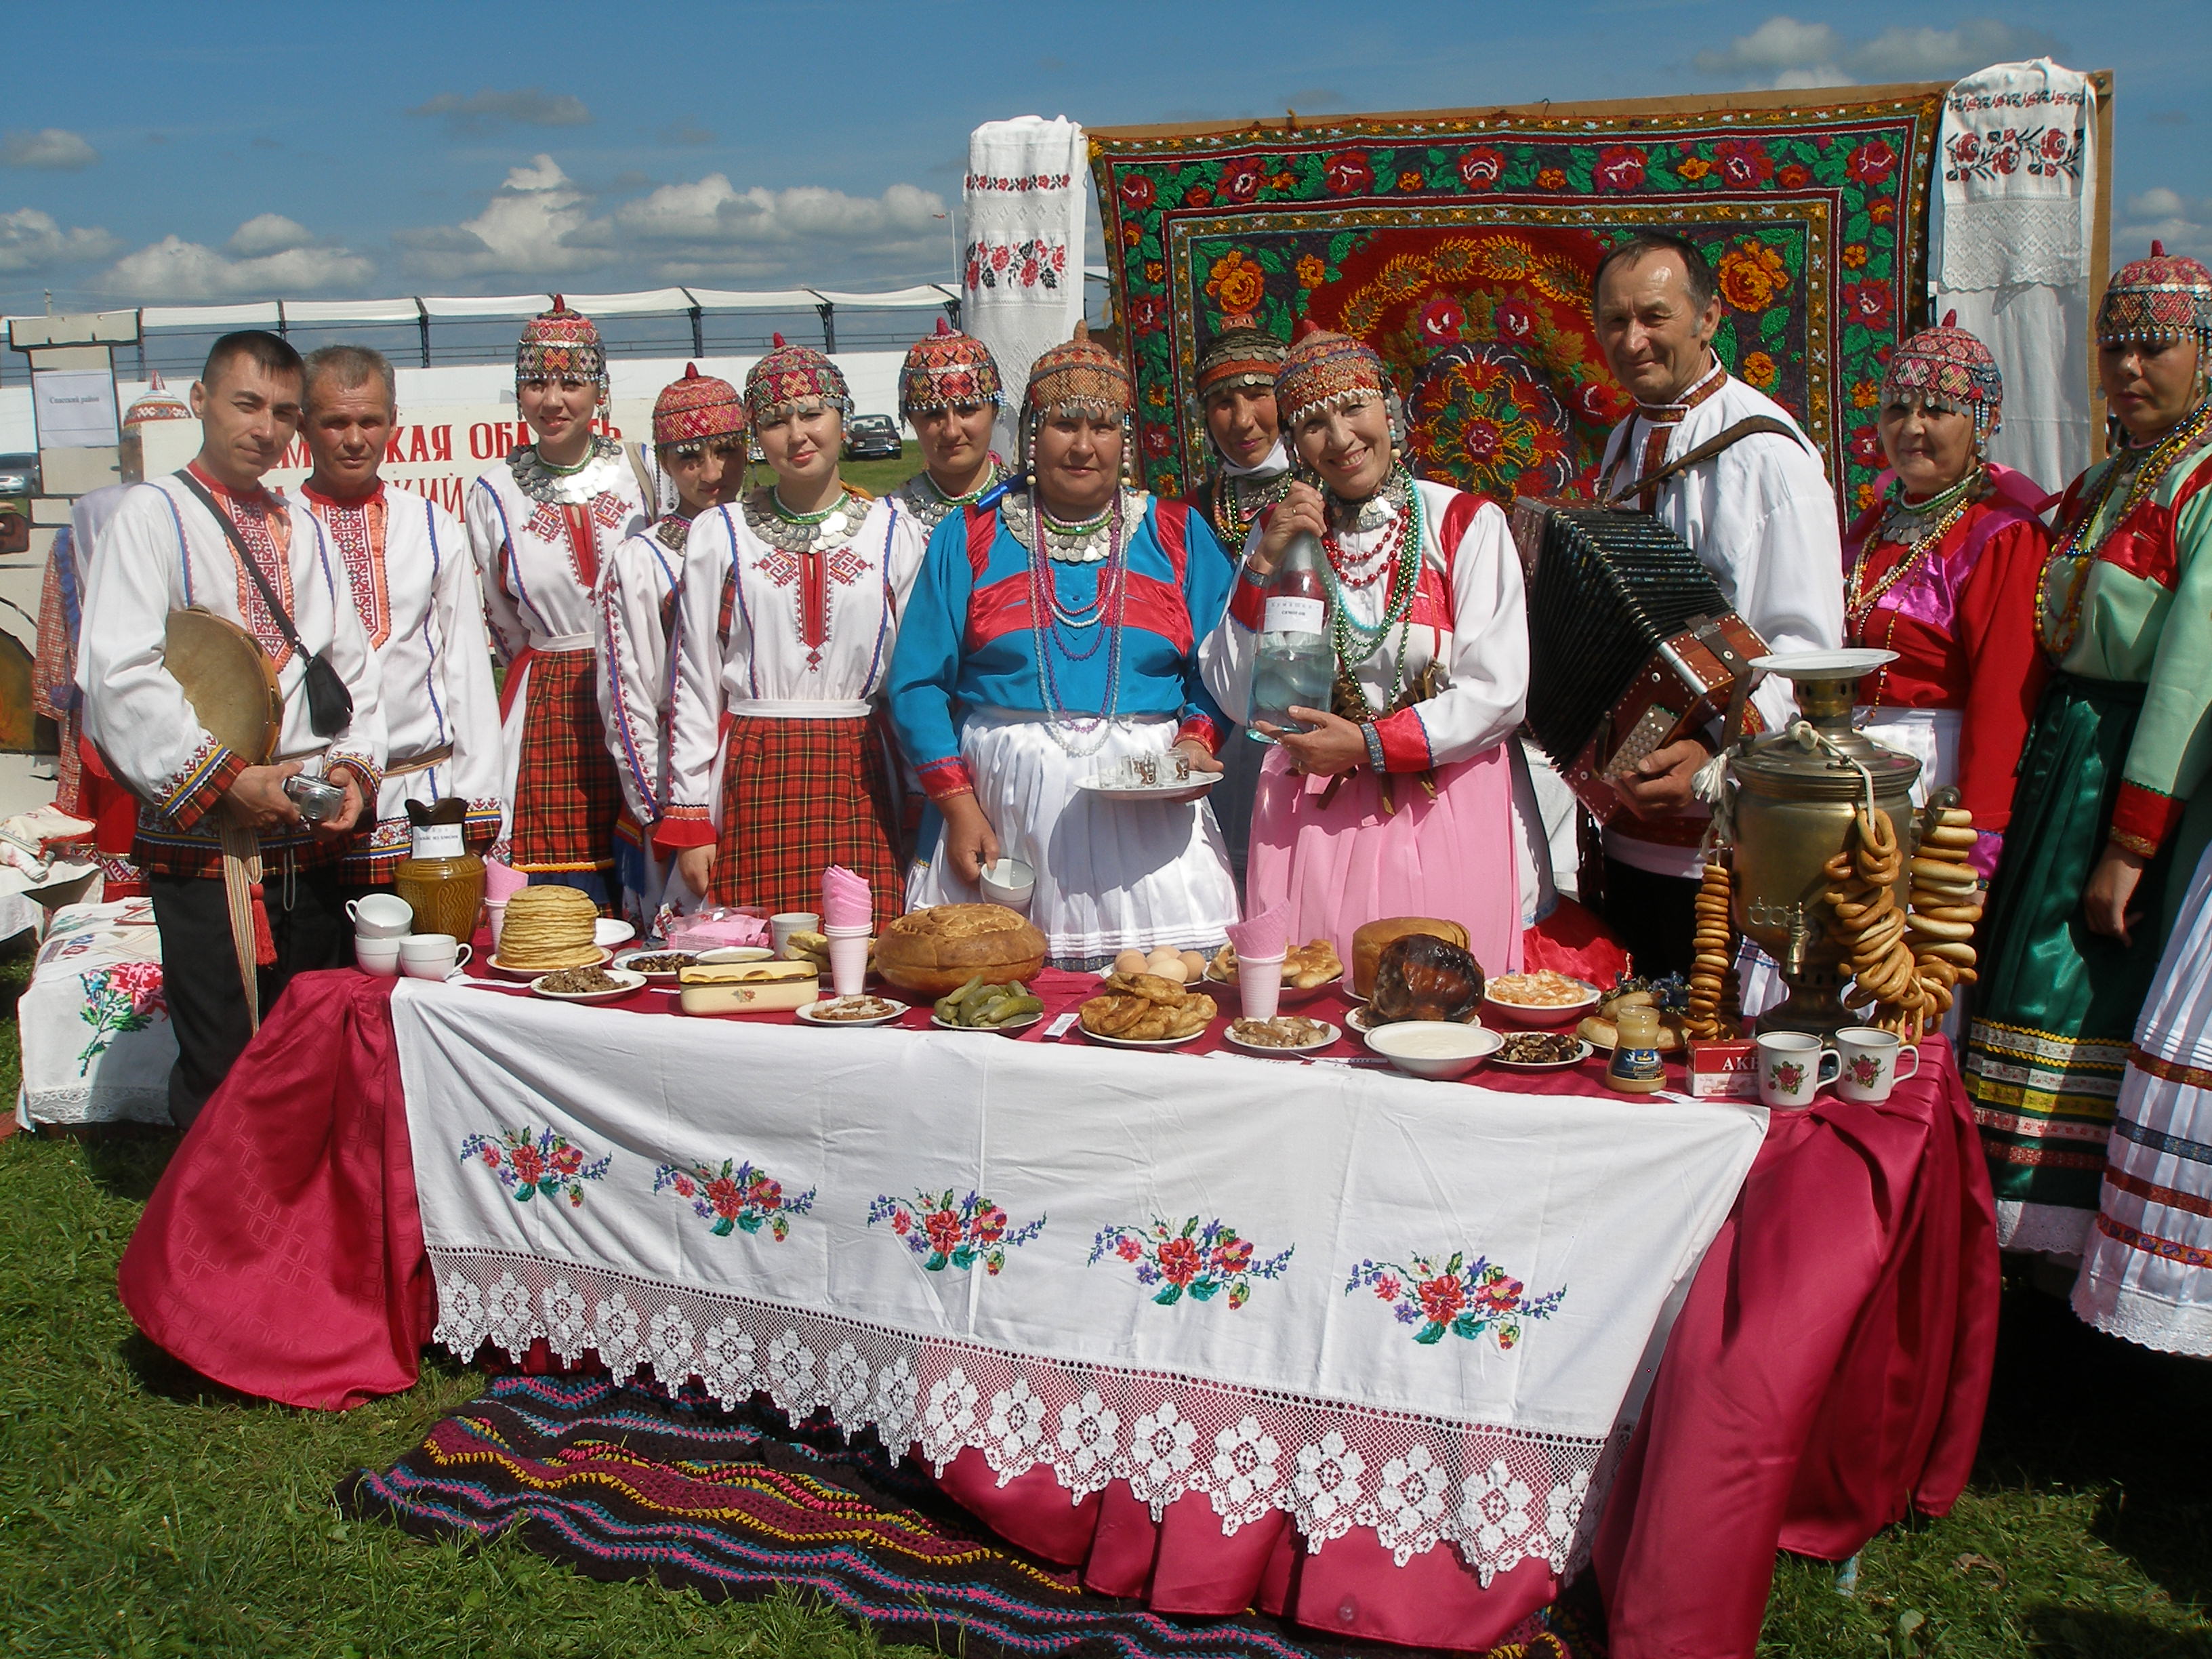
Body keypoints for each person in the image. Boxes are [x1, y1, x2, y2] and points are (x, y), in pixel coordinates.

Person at [1967, 244, 2212, 1258]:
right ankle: (2010, 1217)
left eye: (2156, 346)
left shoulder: (2201, 485)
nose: (2128, 367)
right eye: (2114, 347)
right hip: (2065, 754)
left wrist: (2132, 843)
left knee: (2092, 979)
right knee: (2023, 973)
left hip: (2127, 765)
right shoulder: (2106, 478)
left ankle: (2073, 1228)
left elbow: (2192, 670)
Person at [77, 330, 384, 1126]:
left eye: (284, 412)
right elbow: (119, 675)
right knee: (222, 1054)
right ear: (200, 402)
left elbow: (351, 668)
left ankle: (304, 1230)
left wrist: (350, 770)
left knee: (311, 1042)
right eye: (247, 404)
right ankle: (213, 1240)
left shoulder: (304, 527)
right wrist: (227, 782)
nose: (266, 429)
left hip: (305, 834)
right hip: (212, 843)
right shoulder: (152, 516)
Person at [889, 324, 1240, 967]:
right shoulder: (967, 537)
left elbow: (1221, 670)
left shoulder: (1176, 533)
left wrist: (1196, 741)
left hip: (1149, 810)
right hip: (1003, 808)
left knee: (1158, 989)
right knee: (994, 988)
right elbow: (915, 686)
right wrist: (958, 805)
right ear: (1030, 435)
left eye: (1103, 427)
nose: (1083, 446)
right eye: (1063, 425)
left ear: (1125, 440)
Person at [1199, 325, 1544, 975]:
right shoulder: (1280, 537)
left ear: (1390, 408)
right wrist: (1264, 563)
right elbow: (1237, 694)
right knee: (1319, 1000)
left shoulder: (1461, 525)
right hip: (1313, 816)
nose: (1340, 440)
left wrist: (1369, 745)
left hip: (1443, 801)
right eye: (1312, 424)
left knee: (1440, 1002)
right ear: (1293, 442)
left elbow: (1498, 693)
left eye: (1354, 408)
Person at [1590, 232, 1844, 976]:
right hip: (1631, 814)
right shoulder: (1624, 442)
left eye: (1654, 317)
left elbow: (1806, 654)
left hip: (1724, 821)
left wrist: (1709, 758)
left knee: (1704, 1040)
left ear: (1708, 318)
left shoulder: (1768, 455)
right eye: (1614, 321)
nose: (1632, 340)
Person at [657, 338, 916, 931]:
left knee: (860, 957)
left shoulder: (892, 533)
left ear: (842, 418)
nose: (797, 434)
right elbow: (695, 680)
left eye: (812, 414)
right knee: (747, 959)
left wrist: (921, 798)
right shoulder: (720, 534)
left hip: (860, 776)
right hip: (754, 770)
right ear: (755, 436)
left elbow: (910, 683)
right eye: (775, 421)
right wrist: (692, 815)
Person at [296, 345, 504, 898]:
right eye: (336, 422)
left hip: (424, 797)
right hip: (311, 802)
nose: (355, 438)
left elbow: (466, 668)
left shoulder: (432, 526)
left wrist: (478, 804)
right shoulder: (279, 529)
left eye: (370, 420)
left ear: (393, 423)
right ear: (303, 426)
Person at [466, 298, 647, 908]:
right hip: (548, 696)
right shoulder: (494, 492)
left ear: (599, 390)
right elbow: (499, 616)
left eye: (571, 382)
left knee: (644, 862)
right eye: (536, 383)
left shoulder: (642, 472)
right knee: (558, 882)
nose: (553, 400)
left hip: (641, 690)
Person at [598, 364, 747, 928]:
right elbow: (627, 696)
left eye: (727, 451)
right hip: (673, 769)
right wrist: (659, 812)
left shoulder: (761, 534)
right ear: (664, 462)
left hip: (755, 754)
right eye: (690, 457)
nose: (712, 472)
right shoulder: (640, 560)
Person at [33, 380, 194, 893]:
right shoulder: (96, 515)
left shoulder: (93, 512)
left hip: (125, 692)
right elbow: (60, 614)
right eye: (134, 441)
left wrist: (57, 693)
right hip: (173, 688)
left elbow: (58, 624)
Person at [1183, 324, 1291, 874]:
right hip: (1218, 726)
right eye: (1224, 403)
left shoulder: (1323, 495)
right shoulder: (1188, 514)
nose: (1243, 419)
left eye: (1258, 395)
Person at [890, 318, 1008, 532]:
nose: (951, 431)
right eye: (933, 414)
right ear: (910, 419)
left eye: (967, 410)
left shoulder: (1031, 508)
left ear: (995, 409)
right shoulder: (890, 523)